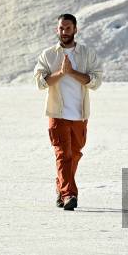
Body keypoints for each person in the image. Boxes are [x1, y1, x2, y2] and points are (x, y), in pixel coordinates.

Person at [34, 13, 103, 210]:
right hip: (57, 114)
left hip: (80, 114)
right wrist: (60, 73)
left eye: (68, 28)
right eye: (61, 28)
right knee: (63, 154)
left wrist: (72, 72)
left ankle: (60, 186)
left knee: (75, 154)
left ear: (75, 30)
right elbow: (40, 83)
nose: (64, 32)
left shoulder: (87, 54)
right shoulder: (48, 55)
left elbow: (96, 81)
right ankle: (69, 195)